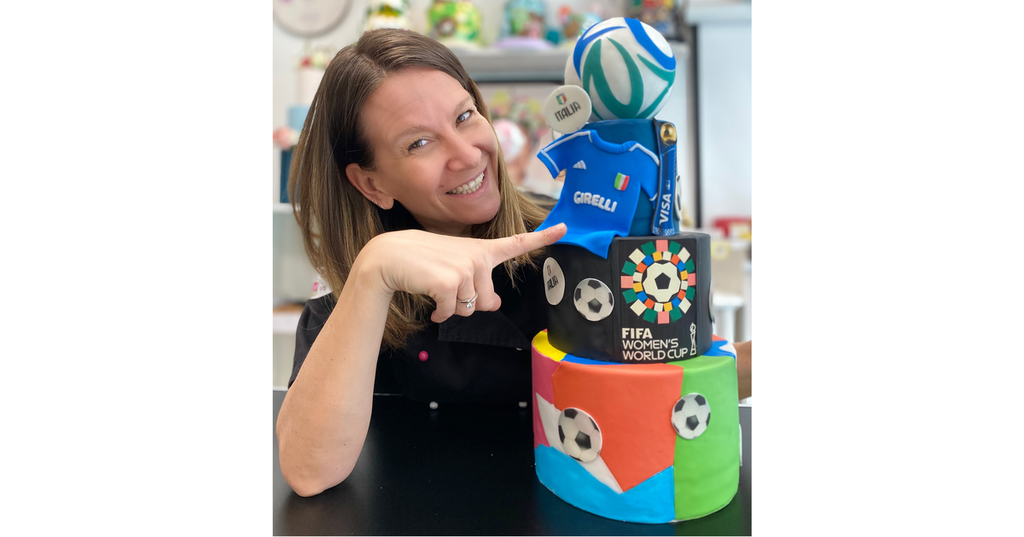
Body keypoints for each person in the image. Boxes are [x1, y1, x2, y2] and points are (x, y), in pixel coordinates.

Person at [275, 28, 751, 498]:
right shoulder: (352, 292)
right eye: (419, 143)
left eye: (465, 116)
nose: (467, 156)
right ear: (372, 184)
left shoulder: (572, 240)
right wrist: (374, 271)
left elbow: (676, 371)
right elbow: (309, 471)